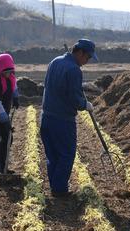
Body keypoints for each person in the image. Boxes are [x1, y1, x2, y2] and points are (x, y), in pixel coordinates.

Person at [40, 39, 97, 197]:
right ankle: (59, 190)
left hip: (46, 116)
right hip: (62, 119)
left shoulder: (55, 61)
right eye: (88, 57)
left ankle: (55, 187)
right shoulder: (74, 70)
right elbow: (74, 98)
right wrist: (85, 104)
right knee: (66, 154)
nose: (87, 61)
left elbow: (49, 86)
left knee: (53, 155)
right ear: (80, 52)